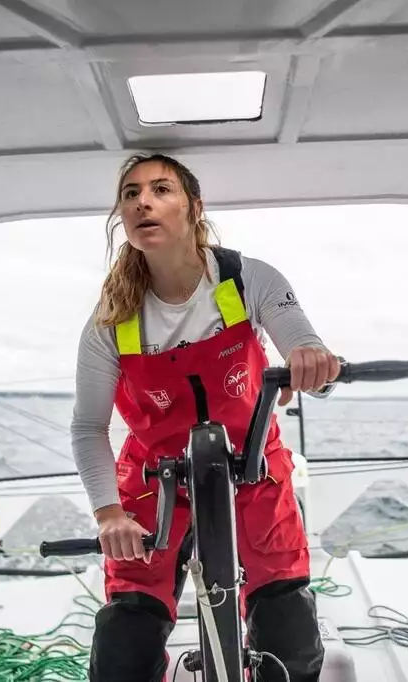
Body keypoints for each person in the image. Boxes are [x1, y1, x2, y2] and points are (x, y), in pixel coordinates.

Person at [71, 152, 340, 681]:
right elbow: (87, 426)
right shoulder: (109, 321)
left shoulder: (247, 280)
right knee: (123, 648)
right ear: (122, 216)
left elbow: (302, 343)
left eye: (161, 189)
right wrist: (108, 514)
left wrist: (311, 357)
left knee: (291, 632)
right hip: (153, 483)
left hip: (254, 471)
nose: (143, 201)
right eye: (131, 194)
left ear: (196, 207)